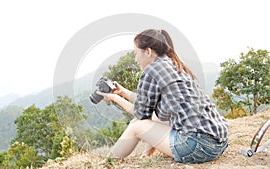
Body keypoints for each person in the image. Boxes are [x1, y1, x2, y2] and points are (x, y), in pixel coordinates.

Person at [97, 29, 228, 163]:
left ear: (148, 51)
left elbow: (141, 114)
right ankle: (146, 155)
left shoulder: (152, 70)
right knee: (155, 118)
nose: (135, 58)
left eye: (136, 53)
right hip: (218, 143)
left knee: (135, 125)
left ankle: (107, 163)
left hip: (198, 147)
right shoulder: (175, 64)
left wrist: (115, 98)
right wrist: (123, 92)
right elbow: (147, 103)